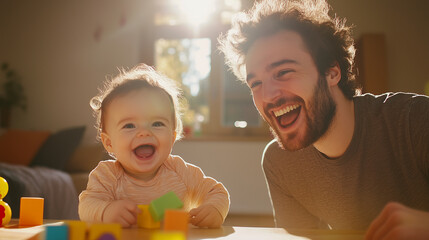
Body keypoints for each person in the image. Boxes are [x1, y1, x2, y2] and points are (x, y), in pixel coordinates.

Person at [218, 0, 429, 238]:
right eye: (256, 83)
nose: (267, 95)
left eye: (284, 72)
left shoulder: (415, 121)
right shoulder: (280, 162)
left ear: (332, 72)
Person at [79, 64, 230, 228]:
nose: (144, 132)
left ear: (172, 137)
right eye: (129, 126)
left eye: (157, 123)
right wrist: (106, 211)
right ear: (109, 143)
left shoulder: (181, 172)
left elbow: (217, 192)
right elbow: (86, 206)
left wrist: (214, 209)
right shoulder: (107, 176)